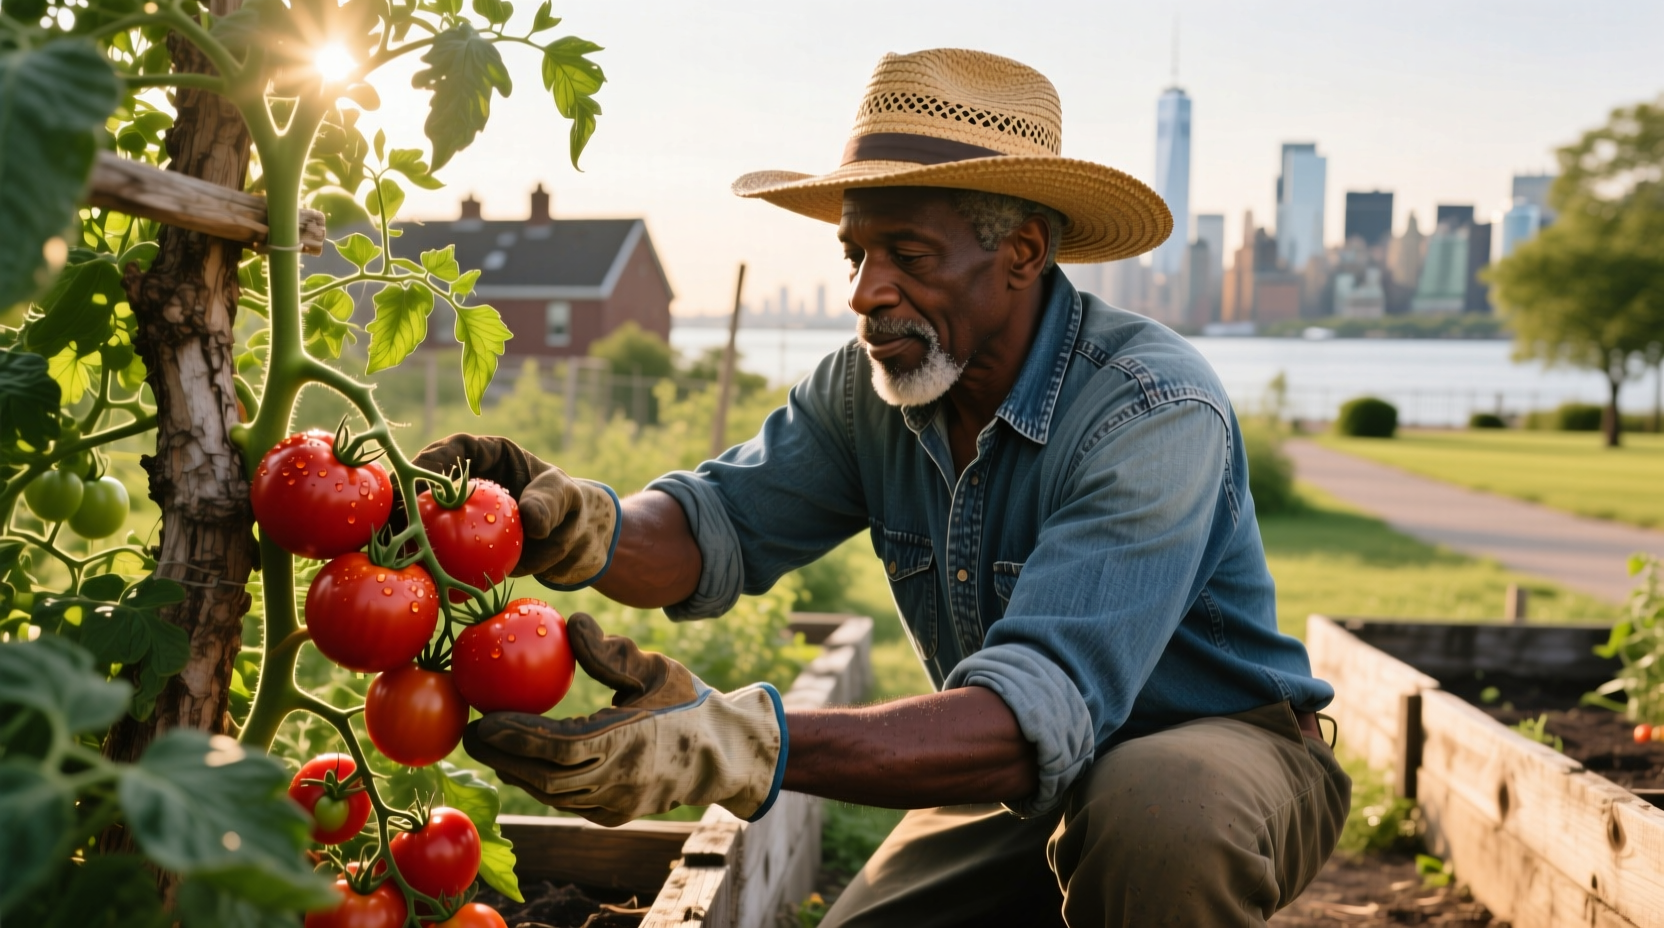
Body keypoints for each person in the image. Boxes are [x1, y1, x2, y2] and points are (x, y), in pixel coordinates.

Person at [431, 48, 1350, 928]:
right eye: (856, 255)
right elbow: (717, 526)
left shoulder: (1151, 409)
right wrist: (575, 522)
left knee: (1156, 814)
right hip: (1014, 780)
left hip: (1217, 753)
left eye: (908, 254)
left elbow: (1030, 711)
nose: (866, 292)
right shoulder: (867, 390)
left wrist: (733, 743)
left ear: (1023, 251)